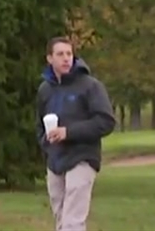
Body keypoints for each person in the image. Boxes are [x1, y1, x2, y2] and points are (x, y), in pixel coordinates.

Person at [36, 36, 117, 231]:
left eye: (69, 54)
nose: (66, 58)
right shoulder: (45, 90)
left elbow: (106, 121)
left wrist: (69, 132)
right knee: (61, 220)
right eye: (60, 54)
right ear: (49, 58)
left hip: (82, 158)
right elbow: (39, 124)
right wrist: (46, 144)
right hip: (55, 161)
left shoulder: (90, 86)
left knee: (73, 221)